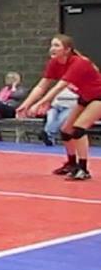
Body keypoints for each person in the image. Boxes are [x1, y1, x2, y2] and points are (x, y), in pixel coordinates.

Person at [15, 34, 101, 180]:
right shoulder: (54, 63)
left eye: (56, 45)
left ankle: (83, 169)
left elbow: (59, 87)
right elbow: (41, 86)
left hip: (98, 97)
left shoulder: (79, 63)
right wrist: (25, 105)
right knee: (66, 131)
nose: (52, 48)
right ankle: (71, 164)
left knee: (78, 129)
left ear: (67, 50)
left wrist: (40, 104)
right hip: (85, 97)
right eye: (51, 45)